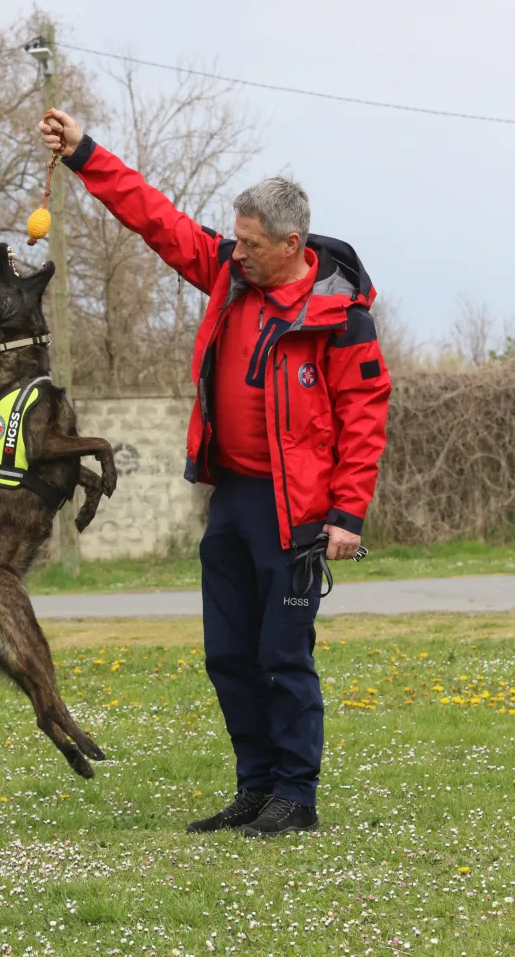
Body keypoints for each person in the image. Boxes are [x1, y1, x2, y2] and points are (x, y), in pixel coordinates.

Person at [39, 110, 391, 837]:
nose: (241, 254)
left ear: (293, 244)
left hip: (295, 513)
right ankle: (254, 790)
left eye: (255, 246)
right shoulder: (230, 277)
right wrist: (83, 155)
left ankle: (296, 796)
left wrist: (348, 515)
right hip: (231, 500)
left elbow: (365, 413)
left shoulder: (340, 315)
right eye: (239, 241)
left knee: (282, 657)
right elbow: (157, 219)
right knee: (228, 654)